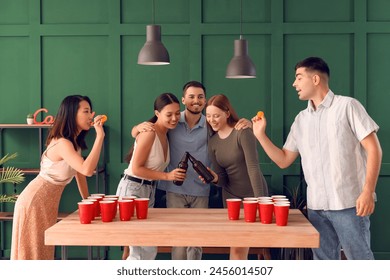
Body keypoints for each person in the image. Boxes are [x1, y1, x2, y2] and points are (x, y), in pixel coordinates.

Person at [252, 56, 382, 260]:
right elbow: (284, 159)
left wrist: (368, 191)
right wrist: (260, 135)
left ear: (315, 79)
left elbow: (374, 149)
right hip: (316, 207)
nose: (294, 84)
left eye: (298, 77)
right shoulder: (301, 120)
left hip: (349, 204)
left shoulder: (347, 106)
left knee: (360, 261)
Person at [131, 81, 251, 260]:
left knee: (196, 242)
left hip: (201, 190)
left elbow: (231, 128)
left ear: (205, 100)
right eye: (191, 97)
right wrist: (136, 129)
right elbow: (150, 130)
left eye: (200, 97)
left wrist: (246, 122)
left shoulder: (211, 121)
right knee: (178, 241)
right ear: (183, 100)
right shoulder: (172, 121)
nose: (196, 100)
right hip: (175, 190)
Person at [11, 95, 105, 260]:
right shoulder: (63, 143)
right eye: (86, 111)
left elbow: (80, 173)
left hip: (47, 203)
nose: (91, 116)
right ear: (71, 114)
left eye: (90, 111)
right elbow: (87, 170)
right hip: (35, 201)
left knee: (43, 252)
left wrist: (87, 201)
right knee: (33, 253)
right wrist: (100, 136)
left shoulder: (73, 143)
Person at [116, 93, 185, 260]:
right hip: (133, 189)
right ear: (157, 114)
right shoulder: (150, 133)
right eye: (169, 114)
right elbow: (136, 168)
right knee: (141, 249)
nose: (175, 118)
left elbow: (135, 132)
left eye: (177, 113)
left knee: (143, 246)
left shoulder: (165, 134)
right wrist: (168, 176)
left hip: (148, 190)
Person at [205, 94, 268, 260]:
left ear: (227, 113)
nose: (212, 120)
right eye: (209, 116)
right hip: (231, 199)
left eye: (216, 115)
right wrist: (214, 178)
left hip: (253, 195)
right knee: (237, 248)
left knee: (241, 247)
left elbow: (253, 168)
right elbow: (223, 178)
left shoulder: (243, 131)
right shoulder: (213, 143)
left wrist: (260, 201)